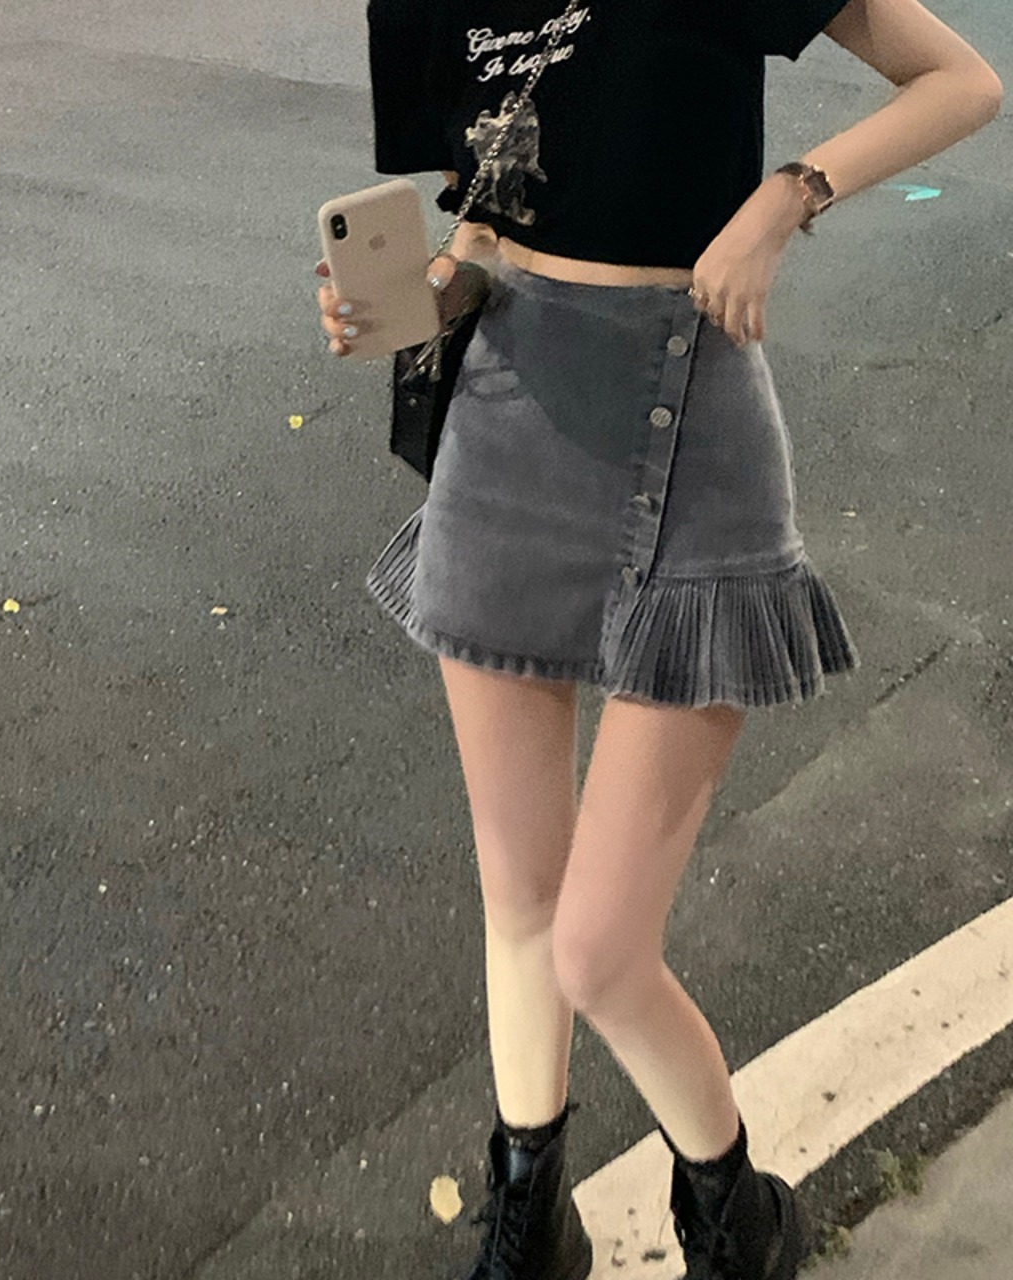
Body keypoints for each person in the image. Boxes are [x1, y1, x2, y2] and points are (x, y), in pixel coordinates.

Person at [317, 1, 1002, 1276]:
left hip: (691, 426)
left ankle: (736, 1213)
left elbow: (961, 81)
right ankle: (528, 1216)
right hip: (503, 430)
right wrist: (425, 290)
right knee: (519, 895)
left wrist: (785, 197)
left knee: (598, 947)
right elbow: (486, 213)